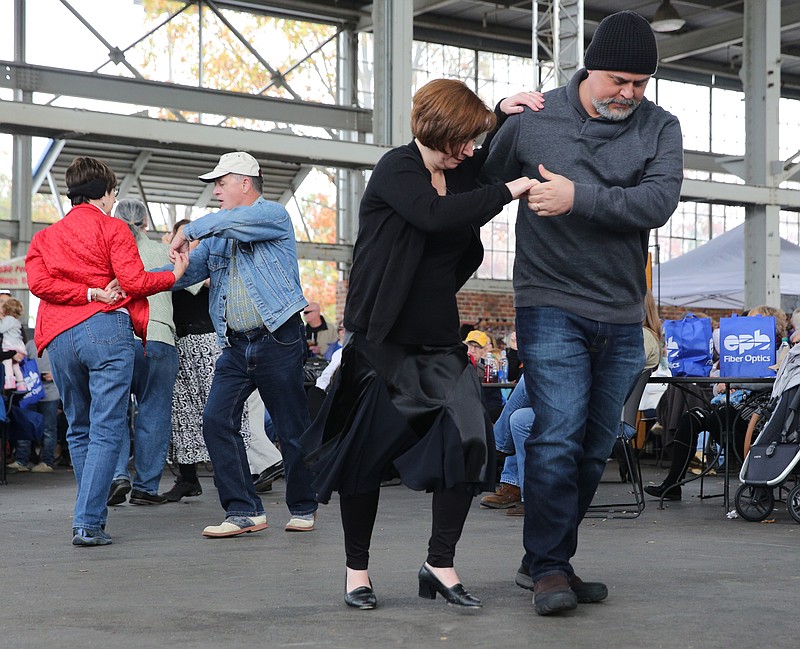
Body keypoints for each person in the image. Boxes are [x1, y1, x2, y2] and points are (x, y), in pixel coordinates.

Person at [303, 78, 542, 611]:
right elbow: (436, 216)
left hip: (437, 341)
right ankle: (357, 571)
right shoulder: (397, 169)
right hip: (382, 339)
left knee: (470, 440)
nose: (475, 151)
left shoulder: (459, 173)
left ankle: (440, 562)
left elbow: (476, 176)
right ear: (443, 133)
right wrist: (512, 189)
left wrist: (500, 111)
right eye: (467, 140)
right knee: (363, 460)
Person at [481, 10, 684, 615]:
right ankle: (547, 567)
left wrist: (577, 197)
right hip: (548, 301)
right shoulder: (537, 118)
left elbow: (658, 202)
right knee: (558, 432)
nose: (629, 93)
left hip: (622, 311)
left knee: (598, 444)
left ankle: (548, 558)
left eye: (640, 84)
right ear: (589, 67)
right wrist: (495, 118)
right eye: (618, 80)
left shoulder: (660, 126)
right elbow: (475, 173)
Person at [25, 156, 188, 546]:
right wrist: (173, 276)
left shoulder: (44, 238)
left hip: (59, 337)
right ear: (104, 194)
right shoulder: (114, 227)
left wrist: (82, 292)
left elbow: (39, 284)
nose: (115, 202)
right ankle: (87, 524)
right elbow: (133, 280)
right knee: (107, 427)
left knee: (78, 427)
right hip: (105, 331)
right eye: (114, 194)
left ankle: (89, 516)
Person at [167, 151, 317, 537]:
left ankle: (302, 506)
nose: (215, 191)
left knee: (292, 427)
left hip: (278, 337)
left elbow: (233, 222)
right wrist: (133, 281)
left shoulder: (272, 215)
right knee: (216, 420)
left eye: (221, 183)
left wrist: (190, 230)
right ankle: (244, 510)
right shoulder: (218, 236)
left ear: (245, 183)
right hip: (235, 345)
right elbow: (186, 273)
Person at [645, 305, 786, 501]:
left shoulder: (782, 351)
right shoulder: (736, 349)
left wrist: (736, 381)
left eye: (753, 321)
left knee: (720, 417)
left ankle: (757, 481)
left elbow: (773, 380)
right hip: (729, 410)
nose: (745, 325)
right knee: (690, 418)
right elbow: (715, 380)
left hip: (758, 416)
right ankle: (672, 484)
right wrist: (723, 384)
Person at [107, 199, 180, 506]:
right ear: (146, 223)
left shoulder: (108, 252)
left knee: (114, 410)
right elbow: (194, 284)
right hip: (160, 336)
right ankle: (146, 487)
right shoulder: (164, 252)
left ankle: (117, 475)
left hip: (118, 335)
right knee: (154, 410)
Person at [7, 338, 60, 473]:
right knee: (26, 425)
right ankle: (21, 460)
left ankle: (46, 462)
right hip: (32, 391)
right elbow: (22, 363)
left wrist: (55, 375)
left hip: (51, 393)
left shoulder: (58, 341)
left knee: (48, 429)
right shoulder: (31, 344)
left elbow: (67, 364)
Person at [0, 297, 28, 391]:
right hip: (18, 347)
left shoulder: (8, 320)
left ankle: (9, 381)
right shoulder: (17, 322)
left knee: (7, 364)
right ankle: (21, 383)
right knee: (16, 367)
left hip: (10, 346)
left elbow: (1, 329)